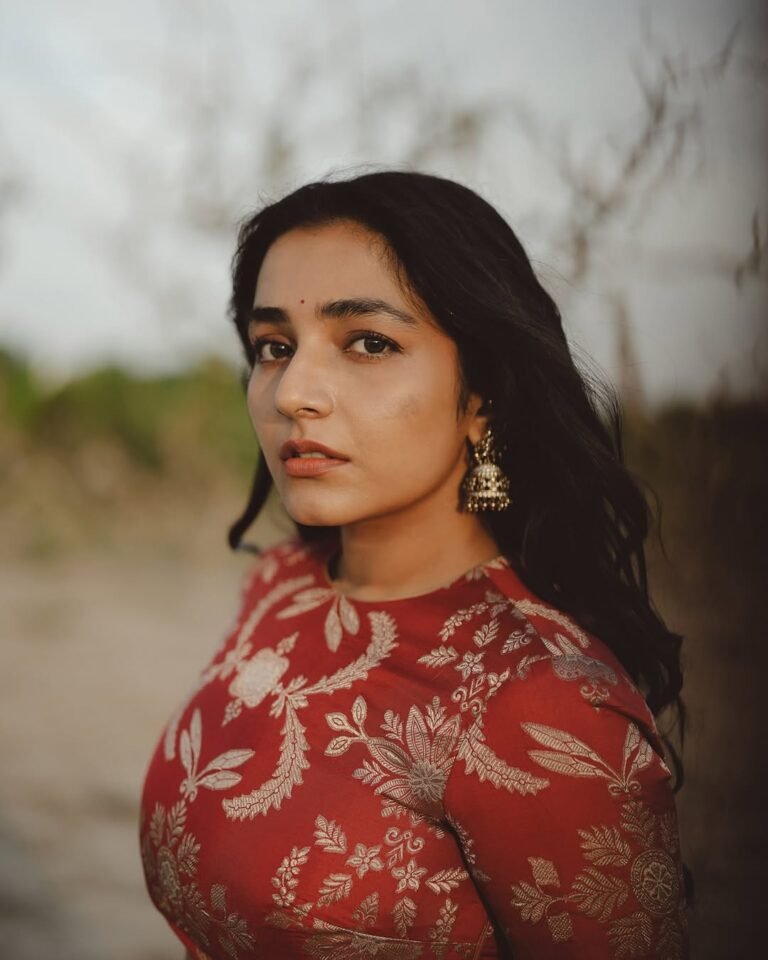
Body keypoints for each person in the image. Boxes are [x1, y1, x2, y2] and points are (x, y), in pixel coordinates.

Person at [140, 170, 689, 959]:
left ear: (484, 397)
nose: (293, 391)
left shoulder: (546, 712)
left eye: (368, 342)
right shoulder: (281, 586)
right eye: (273, 347)